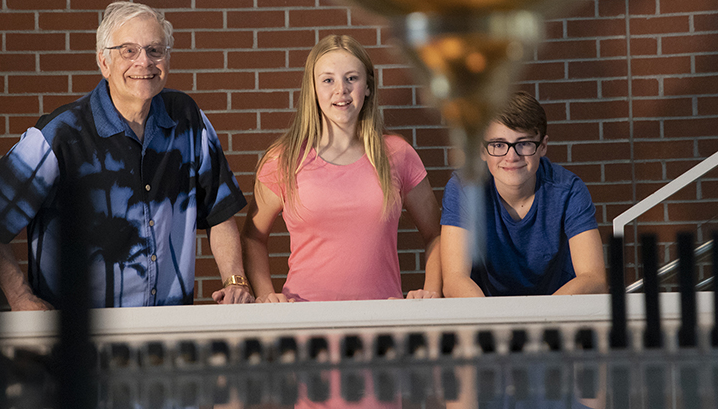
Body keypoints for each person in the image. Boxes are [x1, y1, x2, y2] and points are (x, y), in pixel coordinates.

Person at [0, 0, 254, 310]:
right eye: (128, 51)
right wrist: (20, 298)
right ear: (104, 62)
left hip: (167, 337)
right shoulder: (60, 135)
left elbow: (219, 212)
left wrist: (236, 280)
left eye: (155, 50)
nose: (144, 62)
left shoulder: (188, 120)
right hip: (80, 341)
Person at [242, 34, 442, 302]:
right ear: (313, 89)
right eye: (328, 80)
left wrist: (431, 292)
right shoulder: (284, 159)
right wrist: (266, 295)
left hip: (383, 323)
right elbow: (252, 237)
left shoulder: (397, 154)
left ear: (368, 87)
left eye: (352, 78)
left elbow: (436, 234)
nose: (341, 90)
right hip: (305, 324)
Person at [440, 91, 607, 297]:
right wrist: (493, 323)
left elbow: (594, 277)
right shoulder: (464, 187)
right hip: (486, 315)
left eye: (524, 143)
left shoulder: (569, 190)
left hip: (557, 314)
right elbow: (454, 279)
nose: (512, 156)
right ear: (482, 150)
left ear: (542, 146)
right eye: (498, 144)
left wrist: (541, 321)